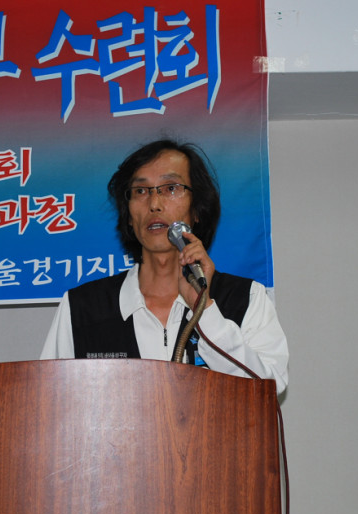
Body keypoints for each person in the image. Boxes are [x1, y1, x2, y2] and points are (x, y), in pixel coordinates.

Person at [40, 139, 288, 394]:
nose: (154, 204)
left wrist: (205, 310)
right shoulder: (81, 308)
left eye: (171, 188)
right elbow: (48, 398)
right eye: (140, 191)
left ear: (197, 210)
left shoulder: (246, 298)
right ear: (129, 216)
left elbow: (269, 389)